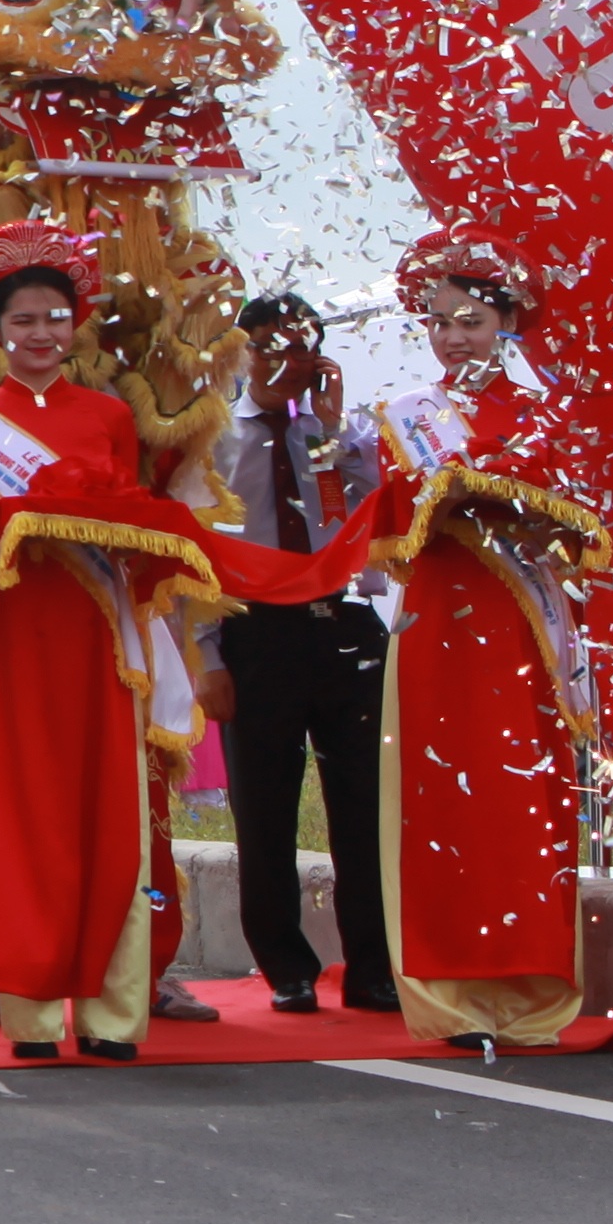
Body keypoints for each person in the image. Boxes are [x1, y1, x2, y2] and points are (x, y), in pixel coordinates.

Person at [0, 223, 170, 1061]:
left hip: (99, 627)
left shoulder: (107, 416)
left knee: (109, 807)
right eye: (23, 320)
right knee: (26, 810)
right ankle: (28, 1010)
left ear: (76, 325)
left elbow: (139, 519)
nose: (41, 334)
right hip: (20, 623)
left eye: (55, 318)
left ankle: (111, 1014)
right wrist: (17, 527)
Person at [379, 240, 613, 1054]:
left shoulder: (546, 416)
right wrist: (447, 500)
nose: (454, 339)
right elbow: (392, 532)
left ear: (507, 323)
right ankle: (450, 990)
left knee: (522, 802)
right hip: (438, 631)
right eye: (441, 323)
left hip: (520, 632)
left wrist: (529, 509)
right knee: (446, 800)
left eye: (471, 322)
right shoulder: (409, 417)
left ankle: (530, 983)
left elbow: (584, 530)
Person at [210, 290, 394, 1015]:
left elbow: (379, 508)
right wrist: (207, 656)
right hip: (258, 630)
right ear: (244, 352)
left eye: (300, 349)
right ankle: (285, 964)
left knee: (364, 809)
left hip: (344, 624)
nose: (285, 365)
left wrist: (334, 426)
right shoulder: (218, 434)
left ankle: (373, 965)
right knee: (264, 809)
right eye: (269, 349)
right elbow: (198, 549)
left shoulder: (331, 432)